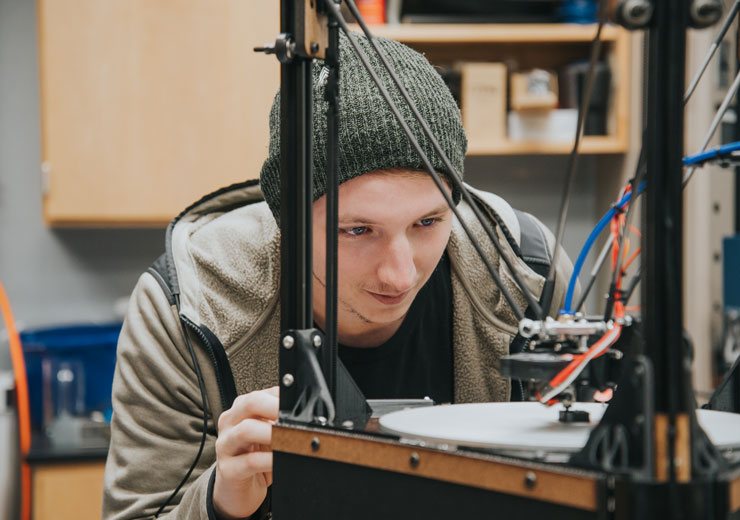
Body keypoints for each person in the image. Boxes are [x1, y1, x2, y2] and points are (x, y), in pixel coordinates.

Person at [102, 33, 573, 519]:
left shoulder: (527, 274)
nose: (399, 274)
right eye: (357, 230)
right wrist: (221, 505)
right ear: (288, 219)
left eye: (428, 223)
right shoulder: (186, 309)